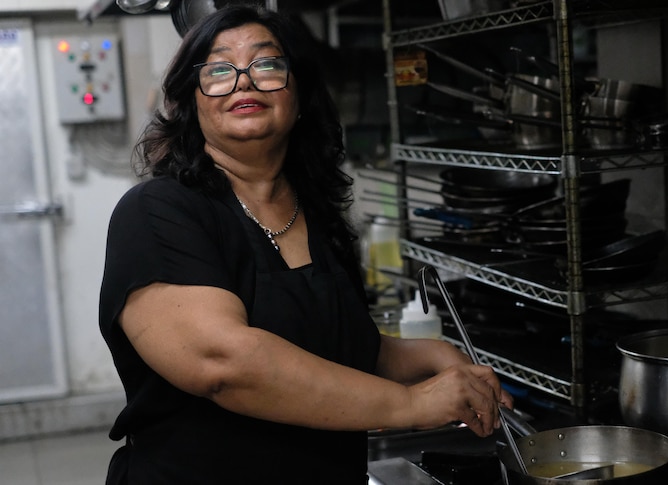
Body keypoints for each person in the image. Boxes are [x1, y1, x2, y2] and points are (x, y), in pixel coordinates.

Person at [98, 5, 513, 484]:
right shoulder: (157, 212)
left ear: (299, 95)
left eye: (267, 65)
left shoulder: (316, 216)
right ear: (192, 102)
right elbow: (224, 362)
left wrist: (428, 358)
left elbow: (331, 342)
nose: (244, 81)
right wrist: (411, 403)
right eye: (218, 70)